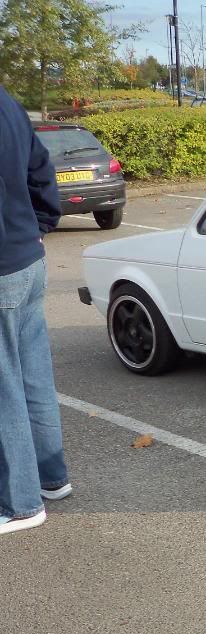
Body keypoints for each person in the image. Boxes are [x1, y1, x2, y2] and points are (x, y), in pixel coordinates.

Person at [0, 85, 69, 536]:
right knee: (32, 375)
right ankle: (51, 478)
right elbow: (41, 170)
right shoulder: (7, 103)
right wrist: (41, 225)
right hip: (27, 258)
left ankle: (20, 504)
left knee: (5, 388)